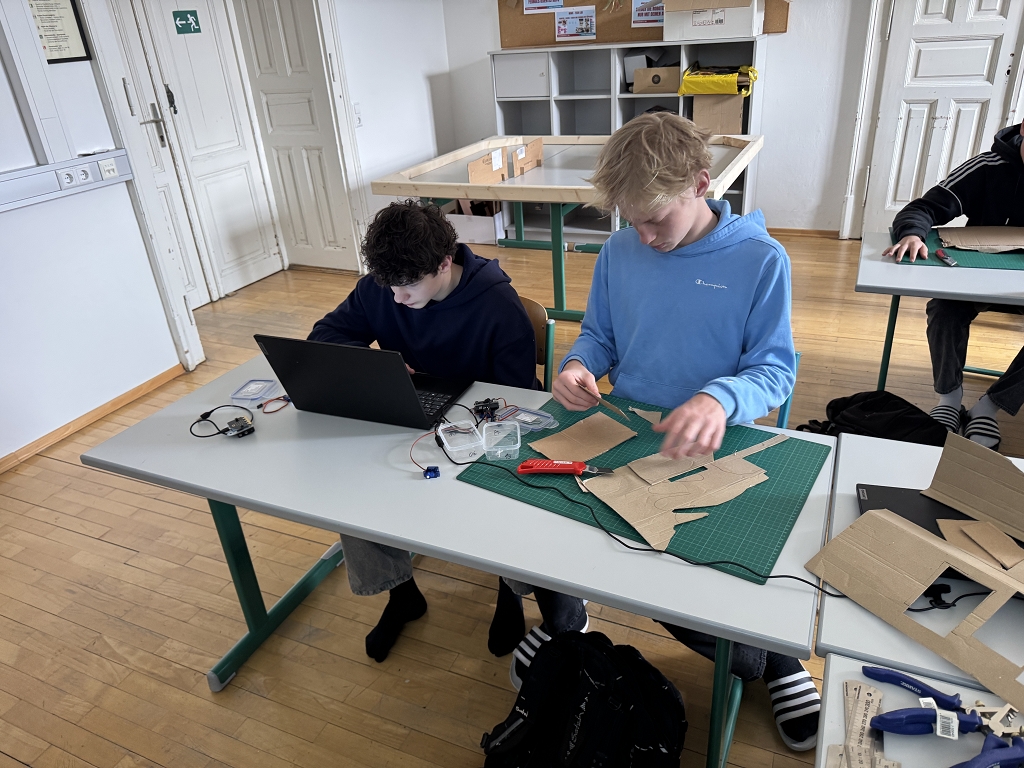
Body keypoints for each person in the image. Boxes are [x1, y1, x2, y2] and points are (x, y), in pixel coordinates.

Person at [550, 113, 819, 751]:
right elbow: (601, 335)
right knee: (552, 523)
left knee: (730, 569)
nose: (643, 237)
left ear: (701, 184)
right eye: (630, 220)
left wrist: (717, 398)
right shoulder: (620, 250)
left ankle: (779, 658)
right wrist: (579, 363)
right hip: (626, 429)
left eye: (654, 219)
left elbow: (774, 372)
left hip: (716, 442)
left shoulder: (760, 259)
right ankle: (563, 622)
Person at [308, 200, 587, 679]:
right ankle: (401, 592)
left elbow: (516, 399)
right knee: (351, 481)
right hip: (408, 416)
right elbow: (325, 337)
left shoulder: (497, 305)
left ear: (443, 264)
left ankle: (509, 590)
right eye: (389, 287)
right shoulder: (383, 287)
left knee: (506, 490)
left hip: (482, 426)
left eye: (408, 287)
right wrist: (382, 366)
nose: (397, 299)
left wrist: (462, 419)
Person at [883, 122, 1024, 450]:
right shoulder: (988, 167)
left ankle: (989, 408)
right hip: (977, 277)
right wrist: (912, 233)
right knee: (944, 308)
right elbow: (923, 207)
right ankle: (949, 399)